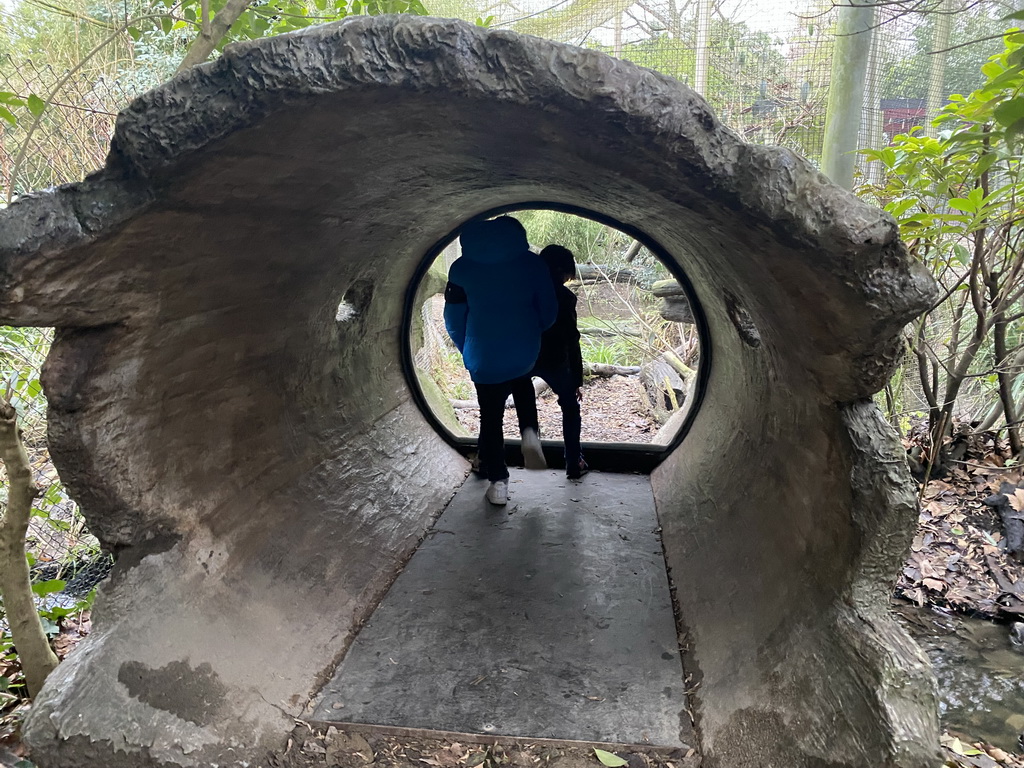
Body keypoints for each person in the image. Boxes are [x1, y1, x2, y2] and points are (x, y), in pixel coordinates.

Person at [443, 216, 557, 505]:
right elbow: (548, 310)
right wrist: (531, 332)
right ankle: (529, 432)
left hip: (483, 353)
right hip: (523, 348)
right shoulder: (533, 264)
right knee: (522, 381)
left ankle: (499, 483)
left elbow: (453, 319)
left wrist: (467, 347)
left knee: (490, 418)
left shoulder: (461, 268)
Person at [516, 244, 587, 480]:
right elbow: (572, 338)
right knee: (570, 406)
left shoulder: (523, 290)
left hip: (525, 355)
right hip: (557, 359)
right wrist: (577, 378)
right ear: (563, 271)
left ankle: (531, 435)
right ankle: (573, 461)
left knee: (524, 396)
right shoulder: (565, 298)